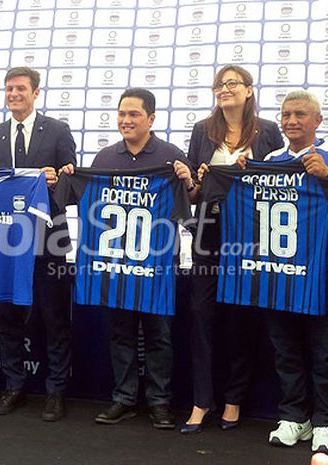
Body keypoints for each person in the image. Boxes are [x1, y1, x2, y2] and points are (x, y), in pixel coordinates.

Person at [62, 88, 195, 429]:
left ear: (151, 118)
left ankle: (160, 402)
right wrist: (67, 175)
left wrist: (186, 179)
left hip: (156, 266)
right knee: (120, 334)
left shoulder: (170, 156)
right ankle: (123, 398)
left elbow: (190, 206)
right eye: (122, 114)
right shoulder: (105, 158)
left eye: (134, 114)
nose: (125, 120)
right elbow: (86, 200)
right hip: (115, 264)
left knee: (159, 335)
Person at [0, 67, 75, 421]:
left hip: (49, 234)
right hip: (3, 238)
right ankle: (14, 385)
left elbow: (71, 174)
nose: (14, 94)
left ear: (36, 93)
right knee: (7, 316)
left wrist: (53, 183)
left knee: (53, 316)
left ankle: (55, 391)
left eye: (20, 88)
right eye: (9, 89)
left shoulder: (57, 130)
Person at [181, 64, 284, 434]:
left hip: (252, 233)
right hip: (208, 230)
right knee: (201, 315)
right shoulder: (201, 130)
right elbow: (192, 191)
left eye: (232, 83)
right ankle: (200, 400)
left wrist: (252, 170)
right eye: (219, 85)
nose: (225, 89)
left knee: (242, 317)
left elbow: (278, 179)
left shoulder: (269, 130)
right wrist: (194, 178)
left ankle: (234, 399)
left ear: (249, 91)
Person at [262, 91, 328, 455]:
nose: (291, 121)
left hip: (325, 266)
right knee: (284, 346)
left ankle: (327, 422)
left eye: (300, 114)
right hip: (281, 267)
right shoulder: (270, 159)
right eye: (286, 114)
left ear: (317, 120)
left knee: (325, 348)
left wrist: (327, 174)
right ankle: (294, 417)